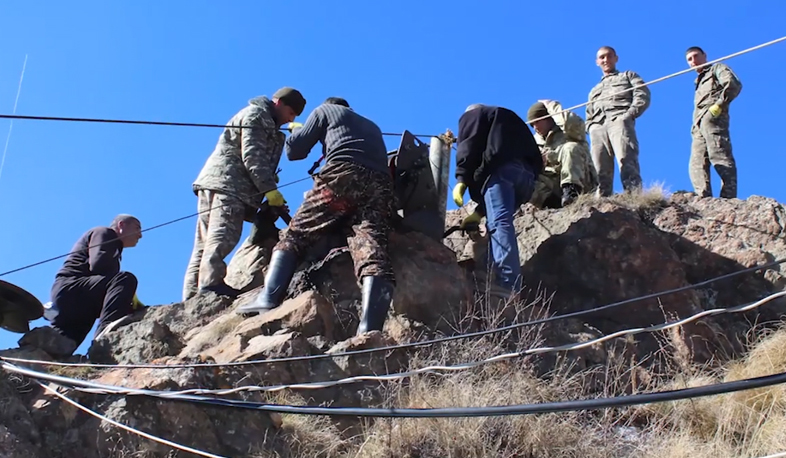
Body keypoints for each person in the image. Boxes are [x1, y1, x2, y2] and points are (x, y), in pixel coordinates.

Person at [236, 97, 397, 336]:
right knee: (371, 246)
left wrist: (296, 130)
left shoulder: (325, 110)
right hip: (381, 185)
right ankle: (370, 328)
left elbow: (295, 151)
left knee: (296, 233)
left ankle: (268, 298)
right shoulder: (371, 125)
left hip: (343, 173)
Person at [183, 87, 306, 301]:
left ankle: (192, 297)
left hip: (216, 182)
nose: (290, 120)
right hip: (230, 185)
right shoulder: (257, 115)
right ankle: (211, 285)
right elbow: (253, 157)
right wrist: (270, 190)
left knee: (204, 243)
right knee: (222, 235)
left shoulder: (263, 119)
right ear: (280, 103)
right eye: (291, 113)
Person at [452, 104, 542, 296]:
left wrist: (462, 179)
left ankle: (507, 283)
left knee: (499, 224)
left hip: (501, 173)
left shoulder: (475, 114)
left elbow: (468, 145)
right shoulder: (508, 119)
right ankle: (492, 275)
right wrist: (478, 213)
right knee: (501, 220)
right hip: (527, 179)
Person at [48, 214, 143, 352]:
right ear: (121, 225)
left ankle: (43, 352)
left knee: (65, 341)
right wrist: (126, 293)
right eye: (137, 228)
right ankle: (107, 334)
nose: (140, 235)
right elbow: (100, 264)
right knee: (125, 279)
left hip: (74, 298)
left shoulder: (114, 248)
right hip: (72, 287)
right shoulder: (106, 233)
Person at [585, 46, 651, 196]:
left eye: (609, 56)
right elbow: (588, 112)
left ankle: (634, 198)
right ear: (597, 62)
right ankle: (602, 205)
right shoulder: (594, 90)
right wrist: (590, 127)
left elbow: (642, 94)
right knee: (599, 169)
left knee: (626, 161)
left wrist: (629, 115)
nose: (605, 60)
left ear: (616, 58)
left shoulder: (627, 76)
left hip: (619, 120)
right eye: (602, 57)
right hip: (598, 127)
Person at [686, 46, 743, 199]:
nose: (693, 61)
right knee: (696, 163)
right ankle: (703, 198)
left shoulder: (717, 68)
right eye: (689, 59)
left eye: (696, 56)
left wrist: (719, 105)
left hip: (713, 117)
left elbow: (733, 85)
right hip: (698, 122)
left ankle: (728, 198)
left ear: (705, 55)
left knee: (720, 155)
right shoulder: (698, 81)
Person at [527, 101, 597, 208]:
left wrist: (552, 106)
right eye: (532, 125)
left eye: (537, 122)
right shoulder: (534, 142)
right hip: (554, 187)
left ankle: (571, 192)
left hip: (582, 181)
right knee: (524, 176)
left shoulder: (568, 130)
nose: (535, 127)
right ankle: (552, 205)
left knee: (570, 147)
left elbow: (571, 121)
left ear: (548, 118)